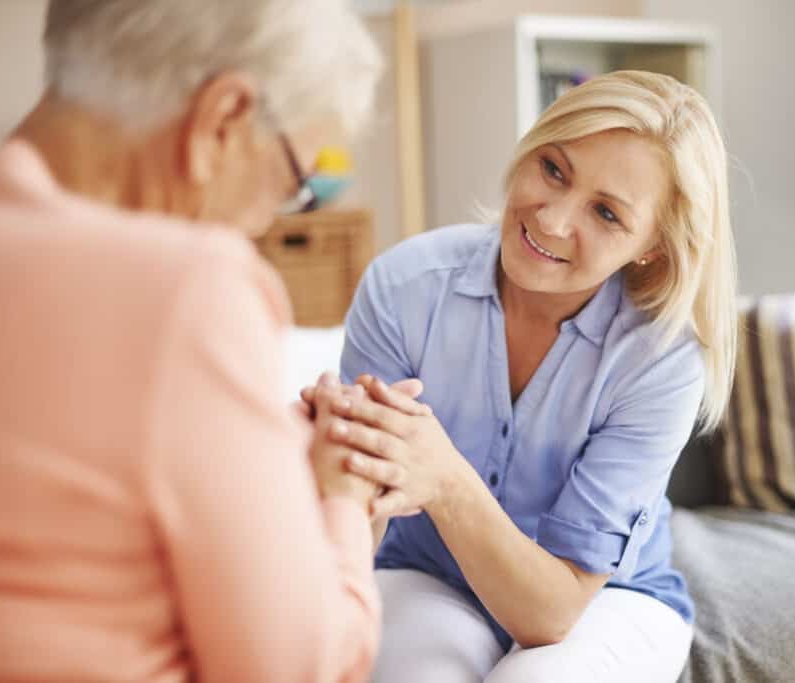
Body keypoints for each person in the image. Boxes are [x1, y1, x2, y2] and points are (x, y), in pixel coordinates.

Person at [0, 1, 388, 681]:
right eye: (292, 181)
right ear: (223, 118)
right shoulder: (191, 290)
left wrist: (259, 458)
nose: (268, 219)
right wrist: (341, 499)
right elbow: (297, 666)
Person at [307, 70, 738, 682]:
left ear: (654, 248)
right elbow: (357, 526)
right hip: (429, 575)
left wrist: (444, 478)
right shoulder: (403, 287)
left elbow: (553, 613)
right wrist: (336, 462)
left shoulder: (660, 359)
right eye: (554, 169)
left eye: (608, 213)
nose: (553, 220)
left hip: (605, 602)